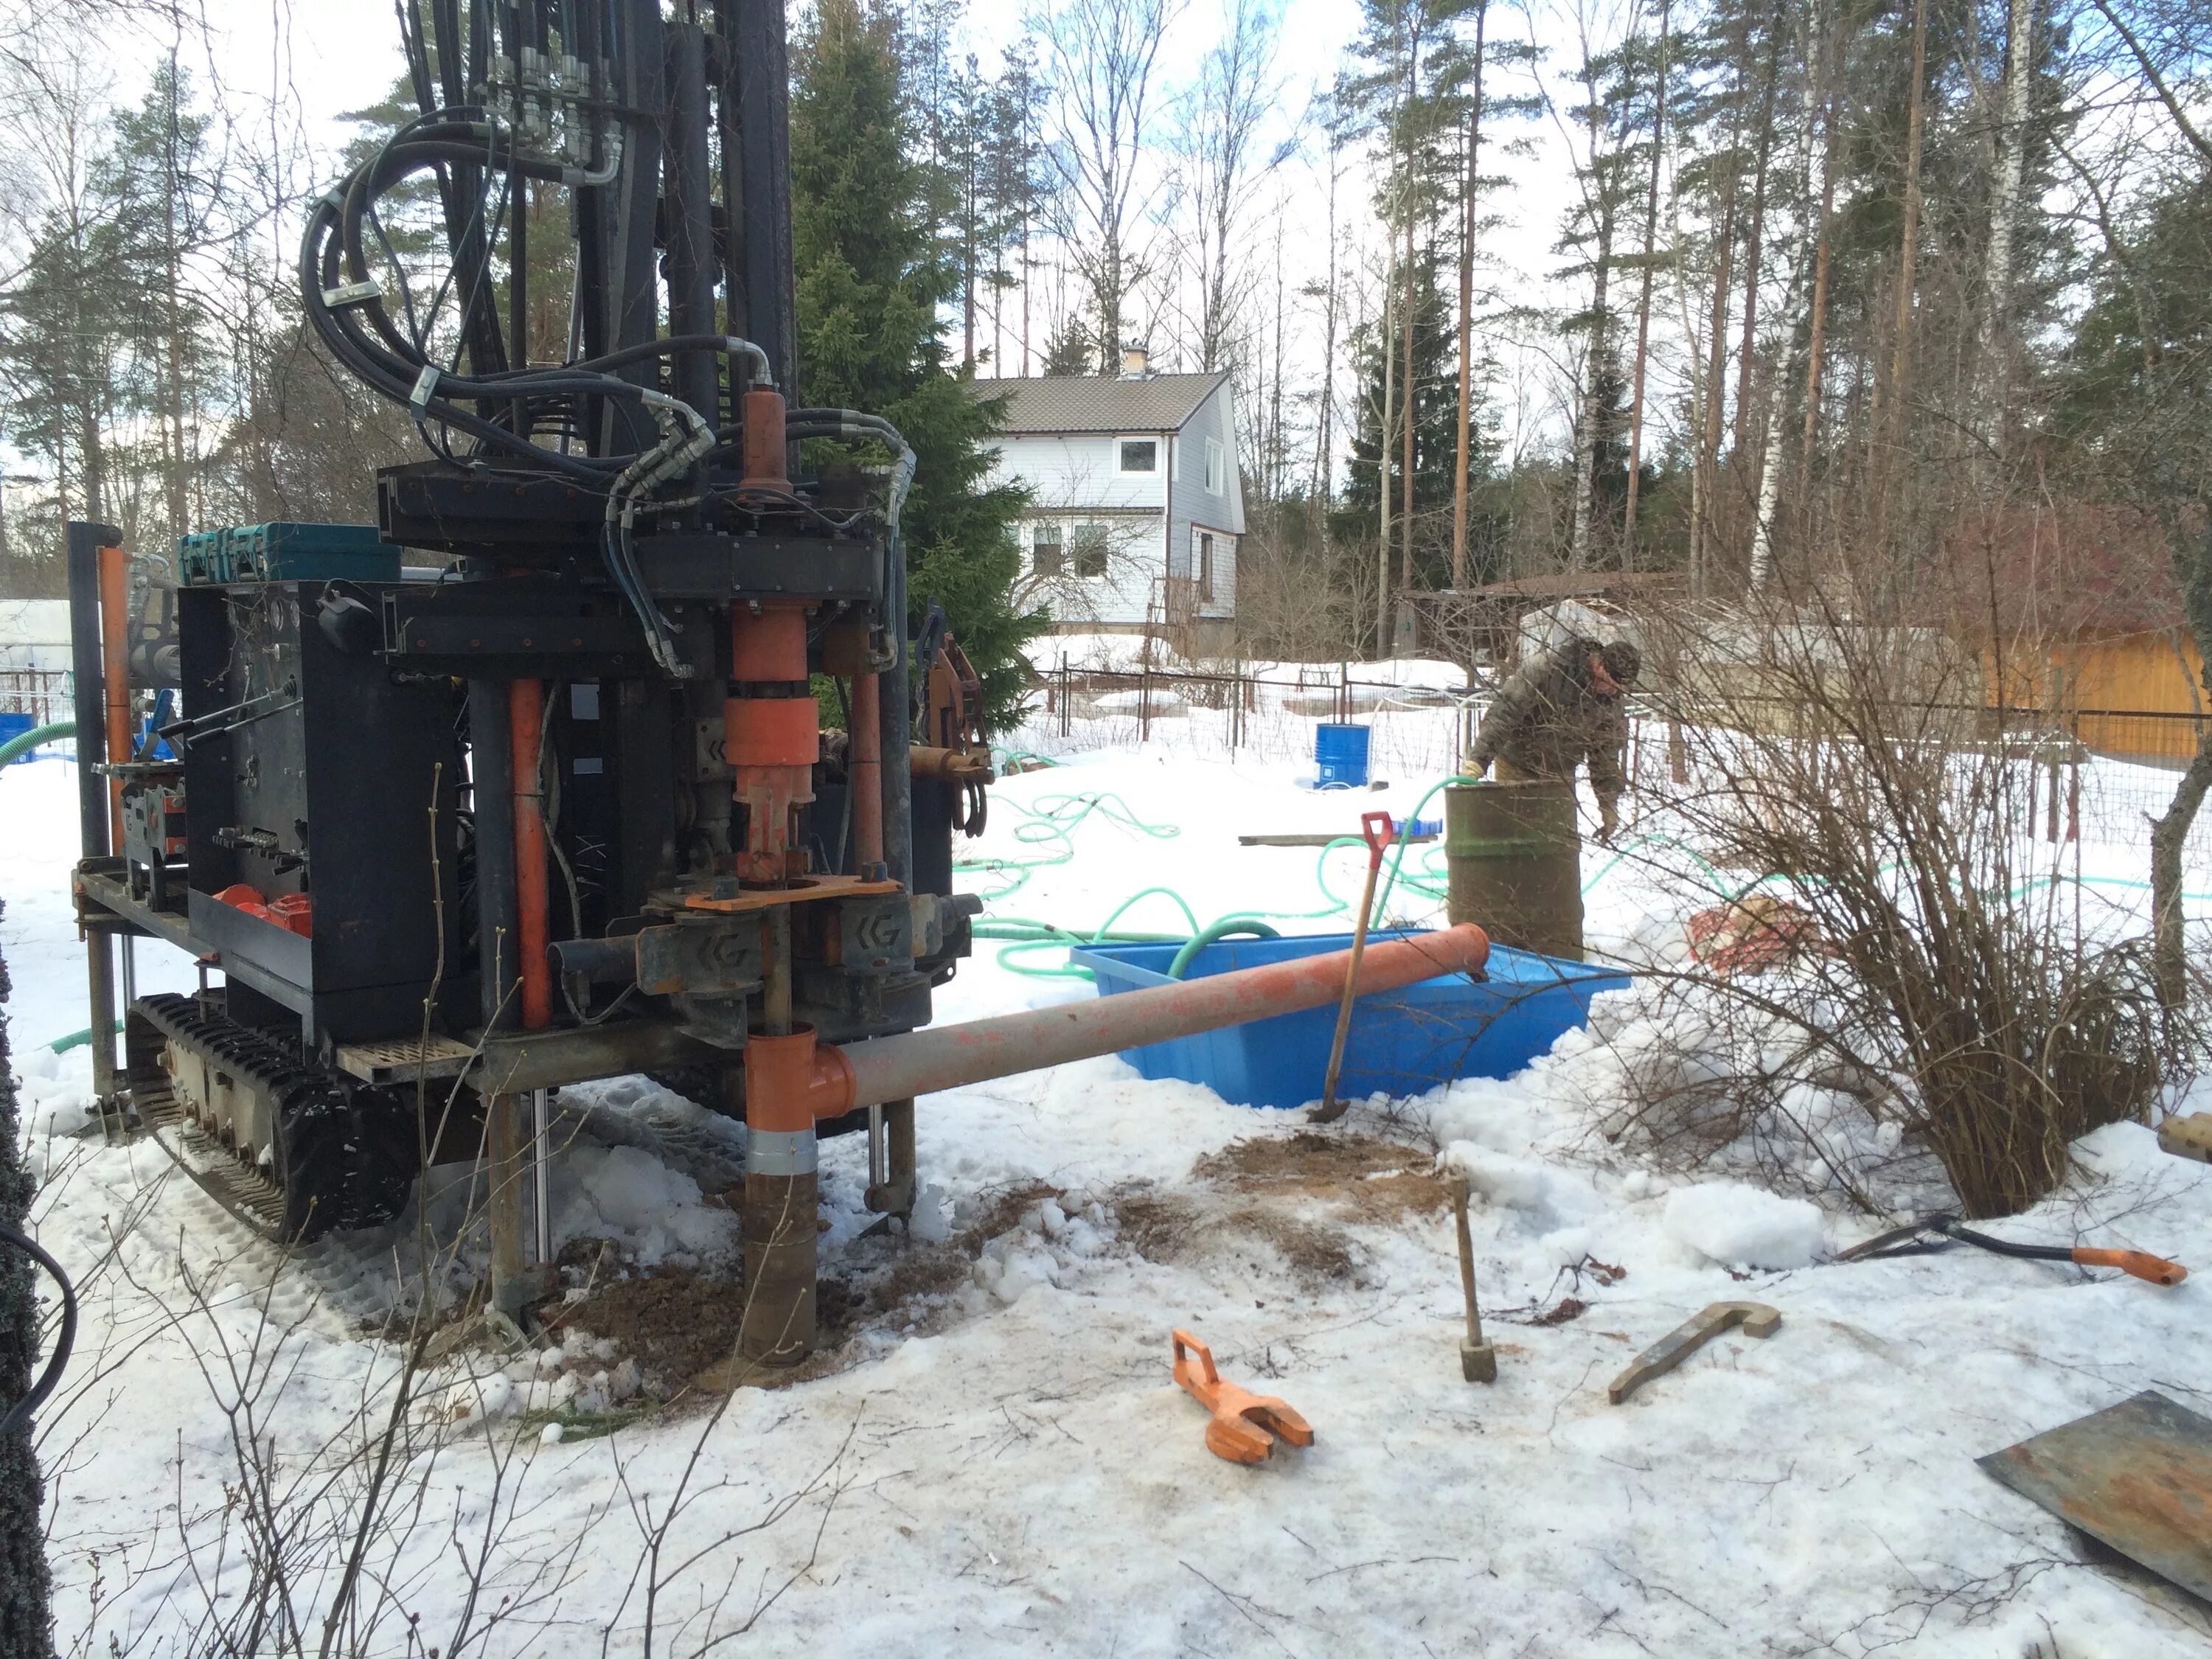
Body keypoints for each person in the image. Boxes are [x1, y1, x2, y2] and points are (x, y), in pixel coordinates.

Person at [1466, 635, 1642, 842]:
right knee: (1517, 840)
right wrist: (1478, 761)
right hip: (1517, 762)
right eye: (1609, 683)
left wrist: (1608, 804)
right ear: (1599, 665)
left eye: (1618, 689)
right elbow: (1505, 713)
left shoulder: (1610, 701)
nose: (1612, 691)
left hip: (1561, 774)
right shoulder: (1549, 669)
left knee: (1558, 843)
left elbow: (1605, 755)